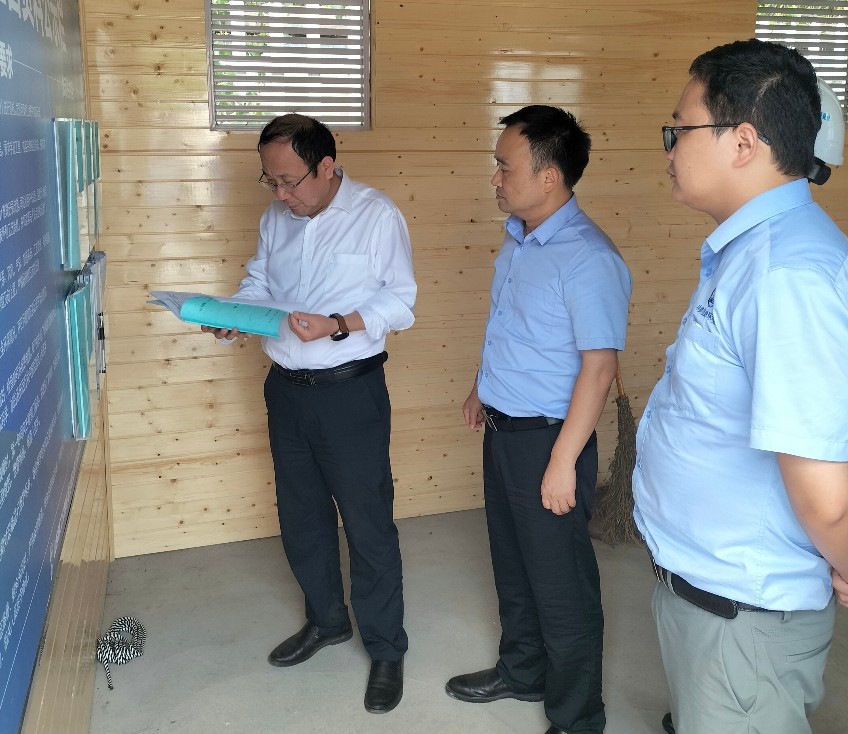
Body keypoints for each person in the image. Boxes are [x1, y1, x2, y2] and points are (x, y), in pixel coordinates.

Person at [631, 39, 848, 734]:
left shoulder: (787, 274)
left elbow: (827, 500)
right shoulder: (754, 251)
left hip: (744, 617)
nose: (669, 148)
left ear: (744, 142)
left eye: (680, 129)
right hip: (713, 596)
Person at [201, 113, 416, 714]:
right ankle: (326, 621)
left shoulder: (377, 215)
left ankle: (386, 648)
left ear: (326, 166)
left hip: (350, 393)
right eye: (270, 182)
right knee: (301, 517)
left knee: (367, 524)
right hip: (286, 391)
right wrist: (236, 315)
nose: (281, 194)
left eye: (290, 181)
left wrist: (338, 324)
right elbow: (260, 281)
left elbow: (401, 302)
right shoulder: (278, 217)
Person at [445, 105, 632, 734]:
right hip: (504, 431)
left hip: (550, 442)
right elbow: (512, 327)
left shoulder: (589, 258)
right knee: (513, 564)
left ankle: (578, 718)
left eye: (505, 166)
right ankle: (523, 670)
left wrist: (562, 463)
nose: (495, 177)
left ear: (549, 176)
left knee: (562, 588)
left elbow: (598, 369)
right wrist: (482, 387)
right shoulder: (520, 239)